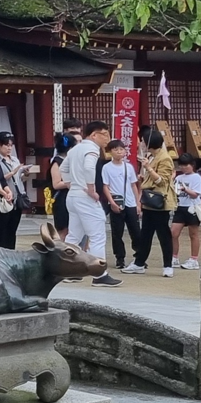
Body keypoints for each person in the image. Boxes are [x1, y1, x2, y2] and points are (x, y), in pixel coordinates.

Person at [64, 119, 118, 285]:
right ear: (94, 135)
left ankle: (69, 271)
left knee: (74, 235)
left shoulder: (75, 149)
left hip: (73, 195)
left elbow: (63, 169)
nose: (107, 138)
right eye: (105, 134)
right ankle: (99, 274)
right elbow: (89, 168)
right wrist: (91, 189)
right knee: (97, 236)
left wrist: (70, 184)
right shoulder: (92, 149)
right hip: (84, 196)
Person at [136, 126, 177, 276]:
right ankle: (139, 263)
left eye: (143, 140)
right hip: (149, 200)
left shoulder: (164, 158)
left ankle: (168, 266)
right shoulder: (151, 156)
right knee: (145, 233)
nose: (141, 143)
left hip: (160, 201)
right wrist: (144, 176)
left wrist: (148, 168)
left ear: (150, 142)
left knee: (163, 234)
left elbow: (162, 181)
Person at [99, 138, 140, 271]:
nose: (119, 152)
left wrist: (138, 203)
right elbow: (105, 186)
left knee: (136, 231)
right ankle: (120, 258)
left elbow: (133, 185)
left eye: (121, 149)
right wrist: (111, 202)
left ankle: (139, 257)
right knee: (117, 232)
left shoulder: (129, 167)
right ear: (110, 152)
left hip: (130, 203)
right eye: (115, 149)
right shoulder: (106, 168)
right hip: (116, 202)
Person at [171, 155, 201, 268]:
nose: (183, 167)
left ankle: (194, 259)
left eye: (186, 165)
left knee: (193, 234)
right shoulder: (179, 177)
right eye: (181, 165)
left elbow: (195, 194)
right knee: (173, 233)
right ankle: (174, 257)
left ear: (192, 165)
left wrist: (185, 189)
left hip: (192, 207)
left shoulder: (196, 177)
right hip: (180, 207)